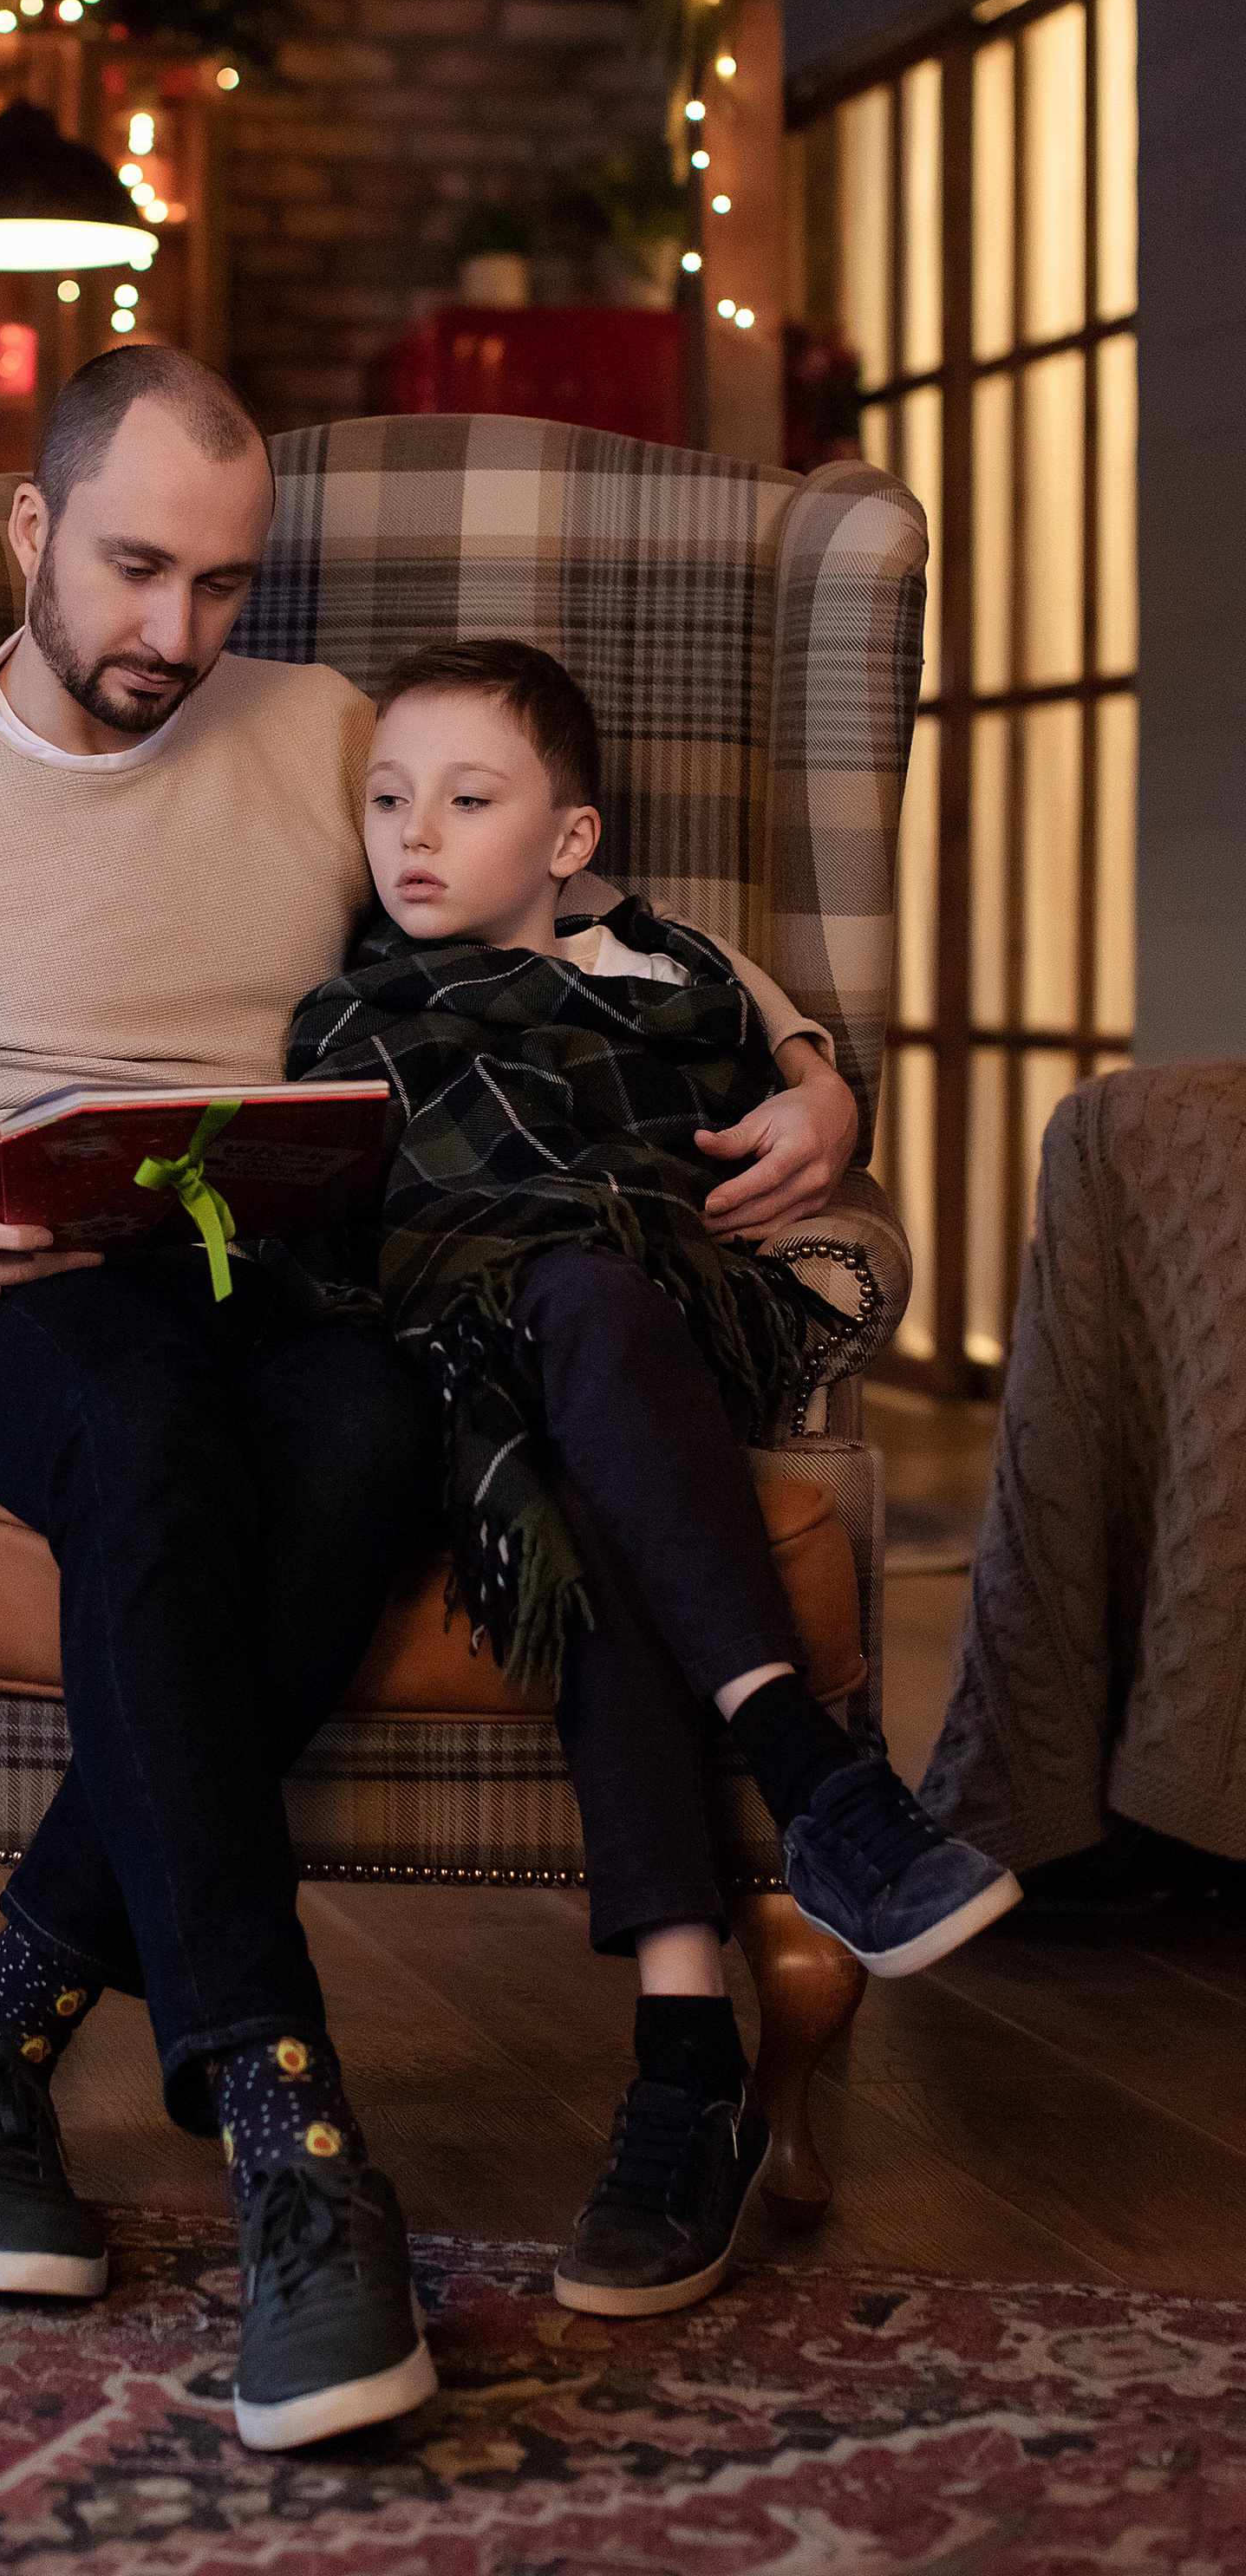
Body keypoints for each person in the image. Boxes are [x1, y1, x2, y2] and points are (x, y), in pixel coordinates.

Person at [0, 349, 860, 2449]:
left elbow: (557, 906)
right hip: (24, 1308)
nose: (178, 637)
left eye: (223, 588)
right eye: (138, 572)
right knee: (153, 1448)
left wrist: (808, 1066)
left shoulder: (314, 733)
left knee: (363, 1431)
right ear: (29, 537)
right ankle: (288, 2134)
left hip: (288, 1276)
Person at [285, 636, 1020, 2324]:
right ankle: (772, 1880)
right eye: (388, 798)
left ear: (564, 840)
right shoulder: (346, 1003)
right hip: (461, 1340)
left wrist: (813, 1061)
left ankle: (690, 2065)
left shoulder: (667, 977)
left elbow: (761, 1059)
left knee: (598, 1305)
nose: (413, 834)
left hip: (650, 1315)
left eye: (467, 802)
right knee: (563, 1383)